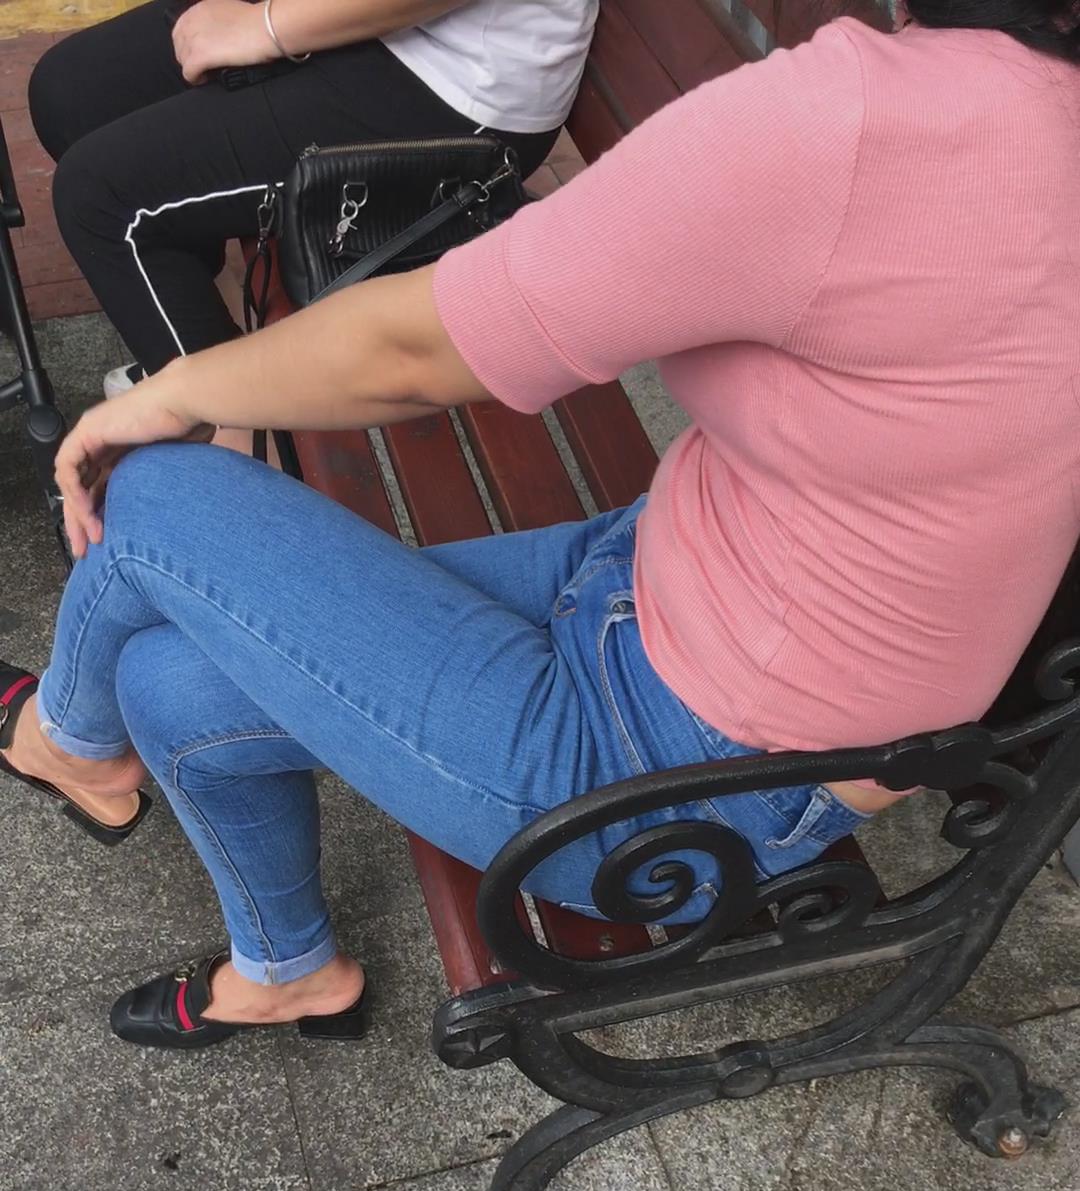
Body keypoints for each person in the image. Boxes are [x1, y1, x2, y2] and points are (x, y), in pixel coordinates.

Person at [3, 0, 1079, 1050]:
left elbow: (414, 352)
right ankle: (287, 972)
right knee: (166, 685)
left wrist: (171, 392)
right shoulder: (1014, 108)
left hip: (685, 785)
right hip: (678, 584)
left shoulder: (860, 124)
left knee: (157, 492)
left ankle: (64, 738)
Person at [27, 0, 595, 398]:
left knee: (103, 198)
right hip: (378, 31)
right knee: (70, 94)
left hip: (457, 84)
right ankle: (196, 337)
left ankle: (228, 445)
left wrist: (266, 27)